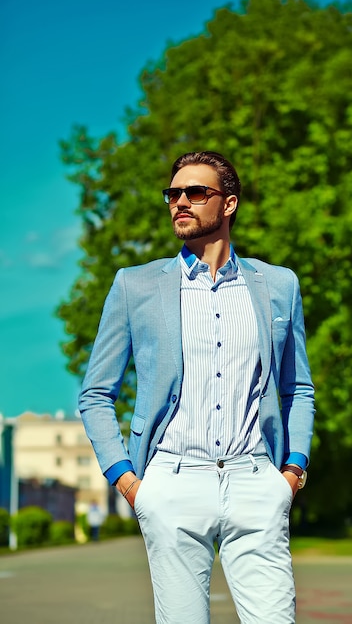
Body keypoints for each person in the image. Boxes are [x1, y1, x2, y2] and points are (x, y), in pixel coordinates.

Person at [79, 151, 315, 623]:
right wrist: (128, 482)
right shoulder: (135, 286)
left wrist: (292, 472)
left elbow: (298, 388)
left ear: (228, 204)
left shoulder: (278, 285)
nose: (180, 202)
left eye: (195, 193)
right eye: (173, 194)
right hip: (172, 482)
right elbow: (95, 393)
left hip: (257, 481)